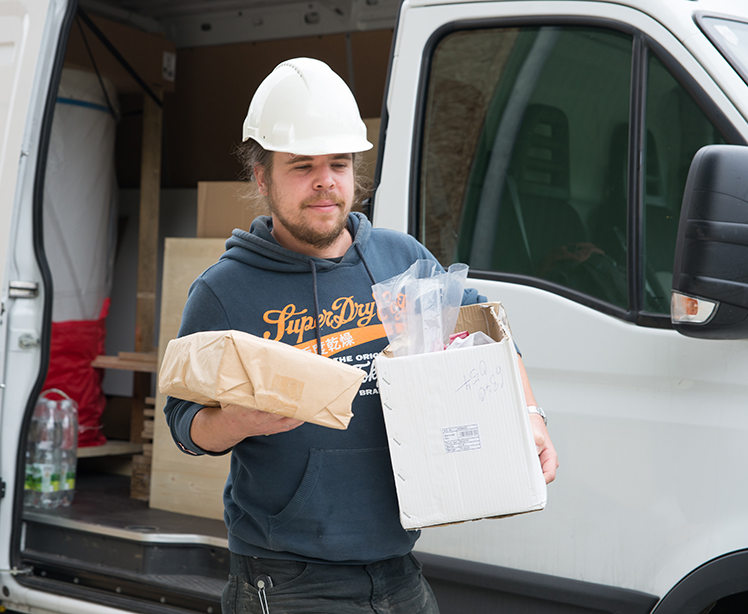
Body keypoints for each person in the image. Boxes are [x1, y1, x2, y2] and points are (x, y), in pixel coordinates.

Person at [164, 57, 558, 614]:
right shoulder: (225, 291)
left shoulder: (401, 259)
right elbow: (183, 423)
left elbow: (487, 335)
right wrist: (237, 422)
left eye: (339, 164)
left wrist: (531, 419)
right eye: (302, 165)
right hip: (289, 579)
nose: (325, 181)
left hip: (399, 567)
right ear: (261, 176)